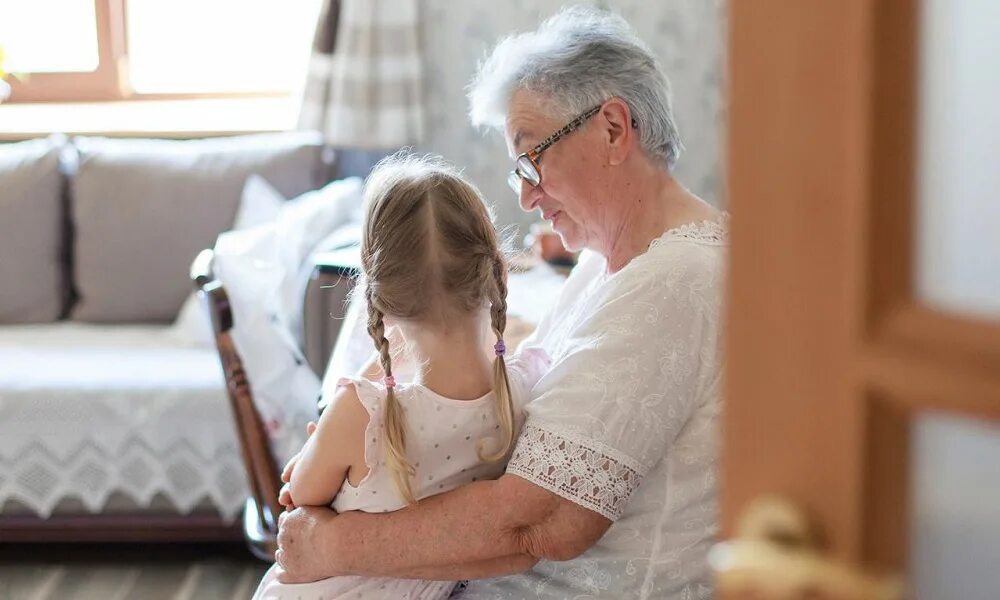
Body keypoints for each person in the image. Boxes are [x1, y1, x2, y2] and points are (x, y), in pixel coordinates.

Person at [275, 6, 727, 598]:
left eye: (530, 157)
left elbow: (540, 522)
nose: (526, 194)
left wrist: (331, 544)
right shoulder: (608, 260)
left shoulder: (675, 281)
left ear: (614, 129)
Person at [252, 154, 549, 599]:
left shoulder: (362, 411)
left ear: (378, 295)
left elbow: (297, 493)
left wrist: (321, 443)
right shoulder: (524, 389)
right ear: (498, 272)